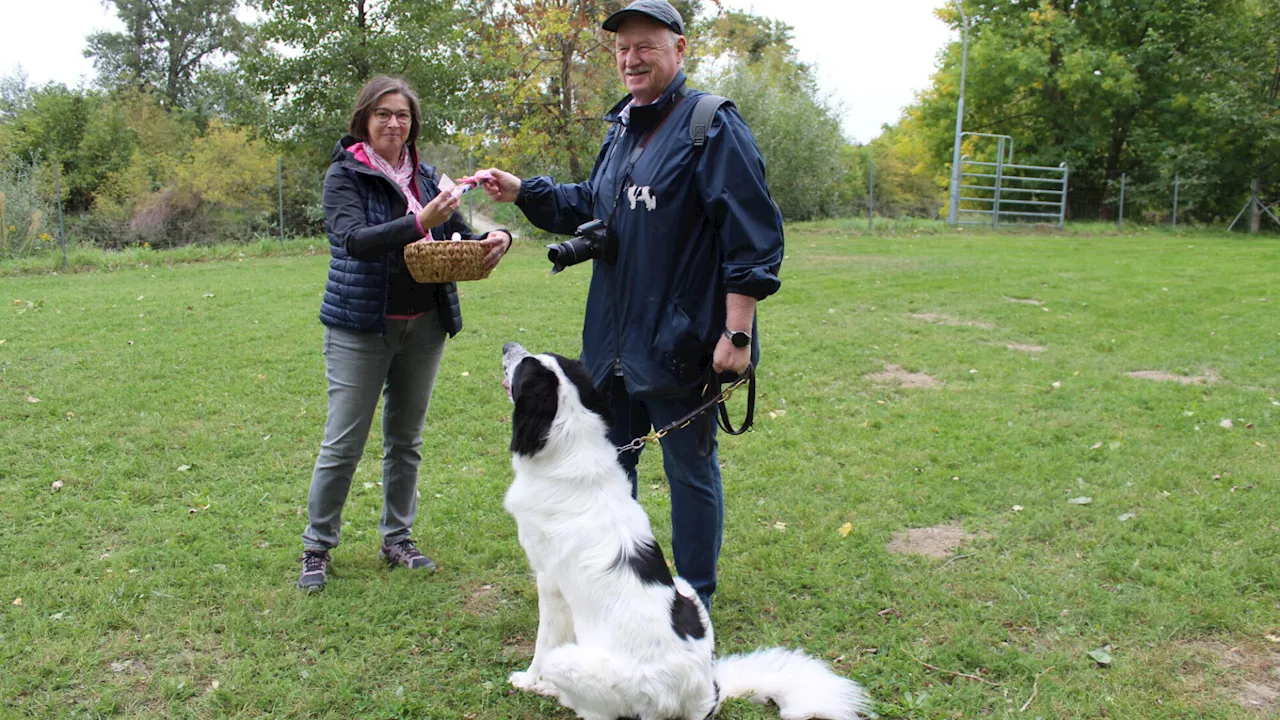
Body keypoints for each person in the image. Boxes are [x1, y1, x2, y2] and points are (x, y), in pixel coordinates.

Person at [476, 0, 783, 608]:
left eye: (645, 45)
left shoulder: (710, 125)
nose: (630, 58)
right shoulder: (621, 129)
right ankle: (626, 585)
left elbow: (752, 234)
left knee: (690, 471)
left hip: (681, 338)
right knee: (615, 469)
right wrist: (521, 191)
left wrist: (738, 332)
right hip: (611, 341)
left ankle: (695, 597)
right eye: (621, 49)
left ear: (679, 49)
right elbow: (592, 202)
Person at [298, 75, 512, 592]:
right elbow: (354, 241)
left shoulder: (428, 176)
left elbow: (456, 231)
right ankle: (317, 547)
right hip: (361, 325)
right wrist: (419, 225)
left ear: (413, 123)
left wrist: (496, 238)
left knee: (406, 440)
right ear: (364, 121)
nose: (394, 123)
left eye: (403, 115)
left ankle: (398, 538)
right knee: (343, 443)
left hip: (425, 324)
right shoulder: (345, 176)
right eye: (383, 114)